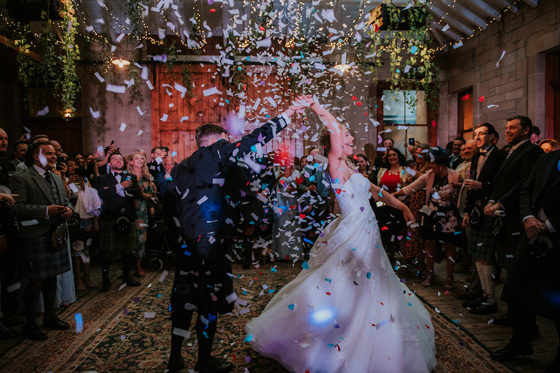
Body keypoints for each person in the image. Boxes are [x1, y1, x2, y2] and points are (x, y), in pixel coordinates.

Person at [246, 97, 436, 373]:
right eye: (345, 134)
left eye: (348, 134)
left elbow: (377, 192)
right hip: (353, 234)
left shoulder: (352, 167)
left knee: (375, 286)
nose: (349, 137)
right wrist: (315, 106)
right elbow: (334, 130)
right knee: (347, 286)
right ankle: (336, 341)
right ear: (333, 142)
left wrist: (403, 206)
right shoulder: (334, 165)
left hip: (369, 232)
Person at [164, 104, 304, 373]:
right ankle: (204, 361)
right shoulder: (218, 150)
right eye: (227, 142)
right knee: (209, 304)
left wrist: (179, 244)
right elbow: (252, 142)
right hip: (212, 244)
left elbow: (168, 213)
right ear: (217, 141)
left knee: (184, 303)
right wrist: (287, 114)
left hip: (186, 247)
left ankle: (174, 359)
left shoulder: (179, 169)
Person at [490, 151, 560, 373]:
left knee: (557, 299)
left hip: (557, 236)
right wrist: (527, 217)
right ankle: (520, 341)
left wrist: (549, 225)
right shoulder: (550, 157)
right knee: (516, 289)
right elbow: (527, 188)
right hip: (530, 232)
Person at [483, 115, 543, 328]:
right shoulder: (509, 152)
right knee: (507, 264)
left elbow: (523, 184)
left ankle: (523, 320)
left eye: (512, 128)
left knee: (517, 270)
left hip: (518, 217)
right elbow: (501, 182)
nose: (507, 131)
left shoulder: (532, 151)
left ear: (526, 130)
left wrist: (500, 204)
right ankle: (512, 312)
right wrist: (491, 200)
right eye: (506, 128)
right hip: (504, 217)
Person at [10, 140, 73, 340]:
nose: (55, 156)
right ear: (36, 156)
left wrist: (68, 209)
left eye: (55, 153)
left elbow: (64, 201)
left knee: (52, 276)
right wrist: (45, 211)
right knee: (36, 280)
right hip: (35, 234)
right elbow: (16, 208)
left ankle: (50, 317)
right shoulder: (21, 178)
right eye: (49, 153)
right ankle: (30, 323)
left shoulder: (55, 178)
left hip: (55, 233)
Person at [394, 148, 464, 289]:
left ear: (441, 165)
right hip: (430, 213)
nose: (430, 166)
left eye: (432, 163)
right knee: (428, 243)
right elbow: (411, 188)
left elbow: (464, 196)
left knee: (449, 246)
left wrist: (453, 196)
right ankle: (430, 274)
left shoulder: (456, 176)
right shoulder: (429, 175)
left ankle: (450, 279)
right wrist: (394, 194)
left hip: (448, 216)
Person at [461, 124, 507, 315]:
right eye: (476, 134)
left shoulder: (499, 156)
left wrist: (483, 185)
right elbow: (470, 186)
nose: (478, 137)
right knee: (478, 256)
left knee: (486, 256)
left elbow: (502, 184)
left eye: (482, 134)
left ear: (493, 137)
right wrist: (466, 211)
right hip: (476, 211)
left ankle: (490, 300)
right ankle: (484, 294)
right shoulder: (476, 157)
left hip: (489, 208)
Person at [95, 152, 142, 291]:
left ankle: (126, 277)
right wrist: (121, 186)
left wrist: (115, 191)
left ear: (124, 162)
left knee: (128, 249)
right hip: (109, 217)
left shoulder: (131, 177)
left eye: (120, 158)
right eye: (114, 158)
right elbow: (101, 194)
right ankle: (105, 280)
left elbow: (137, 194)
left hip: (128, 216)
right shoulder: (102, 178)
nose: (118, 160)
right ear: (109, 163)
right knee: (107, 251)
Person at [127, 151, 156, 277]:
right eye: (136, 158)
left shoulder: (147, 177)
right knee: (129, 238)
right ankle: (127, 266)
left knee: (141, 238)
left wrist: (143, 194)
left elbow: (152, 195)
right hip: (129, 211)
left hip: (142, 211)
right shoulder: (126, 176)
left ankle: (138, 264)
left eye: (142, 158)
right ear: (131, 162)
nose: (139, 160)